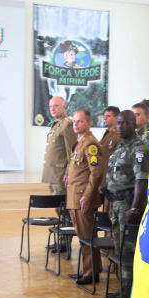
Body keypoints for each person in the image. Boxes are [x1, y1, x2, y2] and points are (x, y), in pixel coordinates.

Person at [103, 110, 149, 298]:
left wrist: (136, 208)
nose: (119, 126)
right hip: (117, 204)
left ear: (133, 125)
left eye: (124, 123)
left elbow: (141, 180)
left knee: (128, 248)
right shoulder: (122, 146)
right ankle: (124, 286)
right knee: (120, 247)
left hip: (128, 205)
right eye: (118, 123)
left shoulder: (138, 148)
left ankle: (129, 291)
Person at [64, 110, 107, 285]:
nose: (75, 124)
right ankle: (87, 269)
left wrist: (88, 196)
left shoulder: (90, 144)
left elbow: (96, 173)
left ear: (89, 123)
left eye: (80, 121)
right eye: (74, 121)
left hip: (83, 198)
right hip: (74, 197)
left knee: (87, 237)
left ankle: (92, 273)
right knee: (83, 237)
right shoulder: (80, 142)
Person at [41, 96, 75, 252]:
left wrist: (68, 173)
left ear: (64, 106)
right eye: (50, 106)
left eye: (56, 106)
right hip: (53, 175)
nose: (52, 109)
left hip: (61, 176)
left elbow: (71, 153)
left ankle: (64, 242)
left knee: (63, 209)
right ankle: (60, 239)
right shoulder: (56, 125)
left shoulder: (67, 125)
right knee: (57, 209)